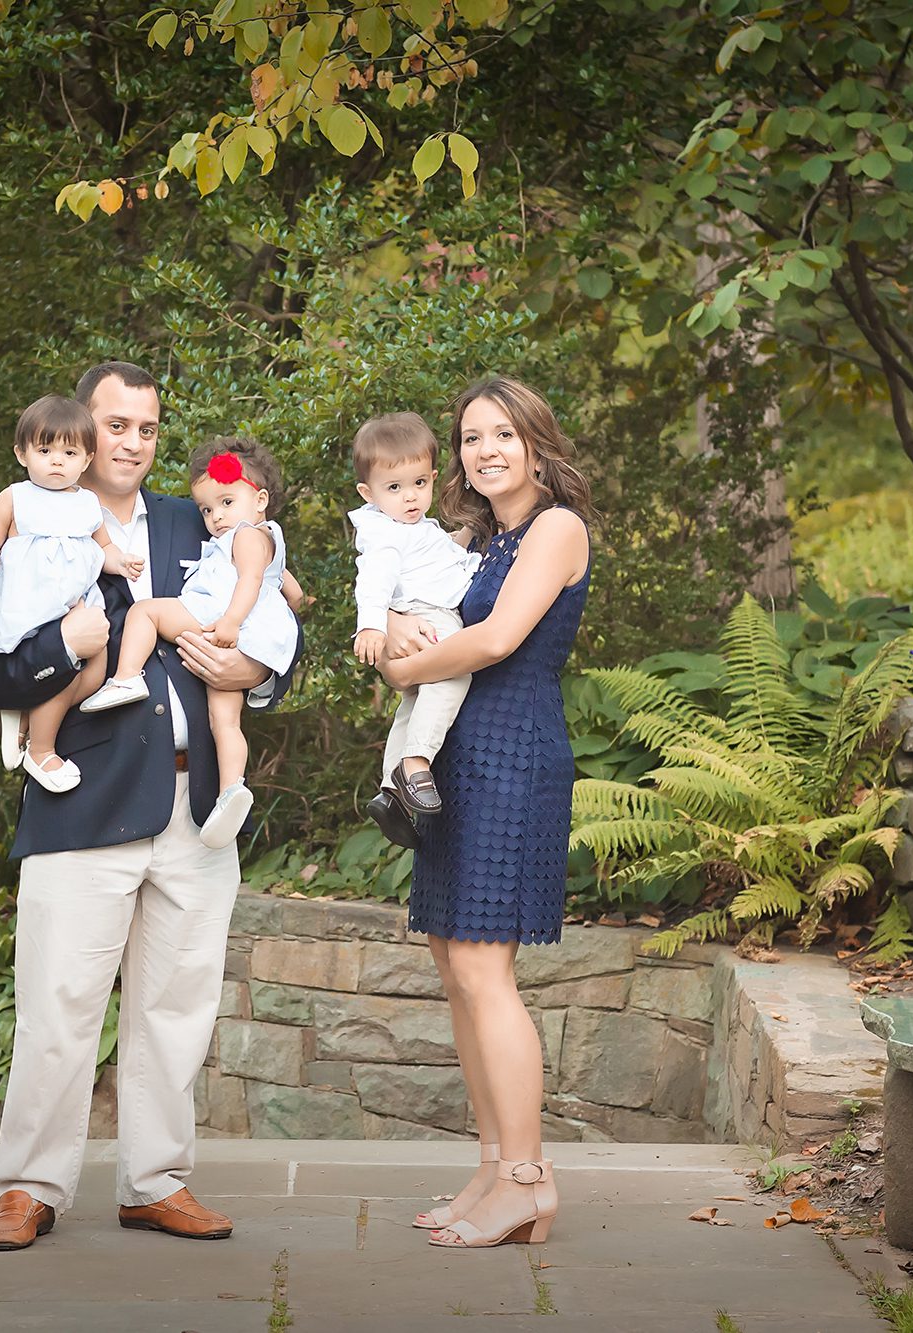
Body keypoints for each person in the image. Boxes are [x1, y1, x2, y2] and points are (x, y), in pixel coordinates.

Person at [0, 361, 302, 1252]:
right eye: (116, 425)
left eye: (147, 428)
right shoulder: (36, 516)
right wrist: (58, 648)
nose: (132, 443)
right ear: (80, 426)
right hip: (82, 803)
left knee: (177, 1008)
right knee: (57, 1003)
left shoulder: (205, 518)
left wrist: (257, 674)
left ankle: (155, 1181)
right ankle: (30, 1186)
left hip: (196, 802)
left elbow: (266, 616)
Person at [374, 375, 592, 1250]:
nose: (485, 449)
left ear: (537, 442)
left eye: (503, 433)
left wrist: (402, 669)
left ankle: (531, 1181)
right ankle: (494, 1165)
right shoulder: (475, 538)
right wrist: (394, 632)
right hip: (457, 755)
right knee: (454, 964)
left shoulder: (556, 529)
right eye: (471, 437)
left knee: (483, 968)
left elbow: (498, 640)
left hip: (515, 754)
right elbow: (419, 614)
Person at [81, 438, 300, 848]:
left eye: (226, 503)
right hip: (238, 634)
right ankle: (231, 791)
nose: (215, 517)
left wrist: (234, 623)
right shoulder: (261, 537)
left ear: (260, 500)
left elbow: (251, 580)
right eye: (207, 509)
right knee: (225, 723)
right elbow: (290, 589)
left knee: (145, 612)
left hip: (218, 620)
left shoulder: (246, 537)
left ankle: (127, 676)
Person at [0, 394, 144, 792]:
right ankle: (42, 750)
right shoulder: (15, 497)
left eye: (69, 452)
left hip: (77, 608)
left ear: (86, 458)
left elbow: (102, 547)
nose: (57, 461)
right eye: (45, 450)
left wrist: (121, 561)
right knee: (59, 667)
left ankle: (30, 716)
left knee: (94, 673)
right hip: (30, 608)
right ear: (22, 454)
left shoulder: (88, 503)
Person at [344, 411, 482, 843]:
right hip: (429, 616)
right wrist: (371, 627)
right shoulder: (385, 536)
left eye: (419, 484)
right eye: (394, 487)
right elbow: (374, 582)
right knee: (454, 674)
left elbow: (441, 555)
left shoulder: (413, 528)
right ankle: (417, 763)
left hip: (424, 611)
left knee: (414, 704)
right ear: (368, 493)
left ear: (433, 478)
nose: (410, 497)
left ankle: (390, 791)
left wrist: (466, 536)